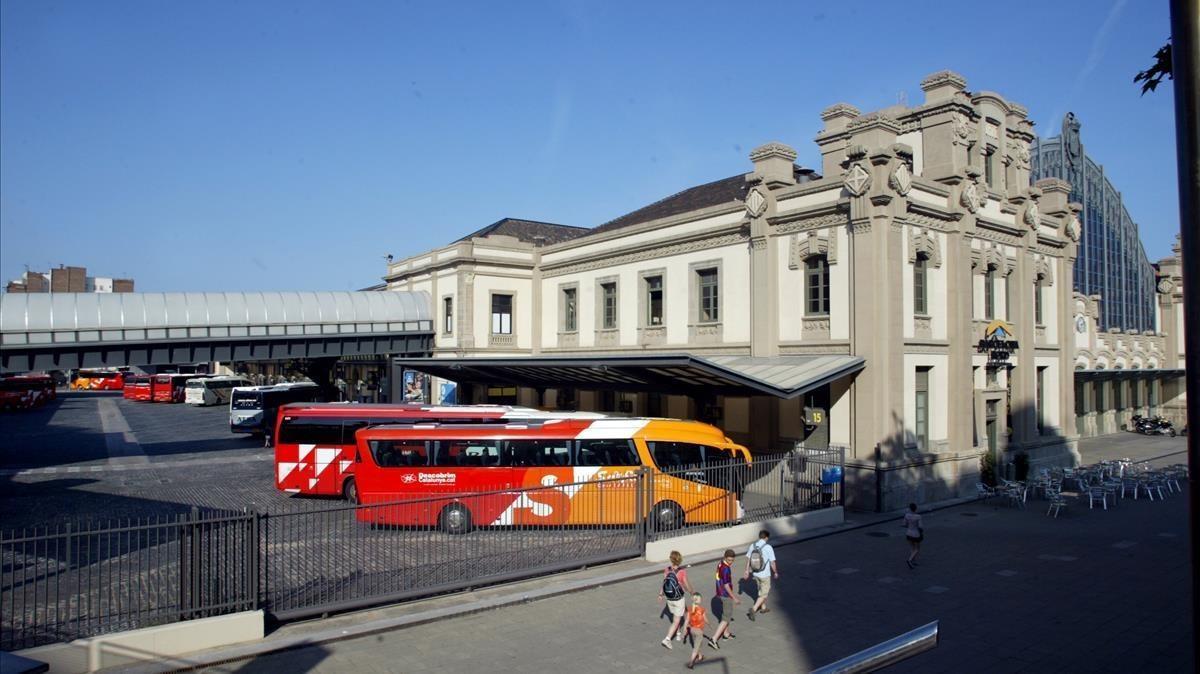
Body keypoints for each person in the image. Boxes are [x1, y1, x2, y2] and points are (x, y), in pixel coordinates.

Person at [659, 551, 694, 649]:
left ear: (671, 559)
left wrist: (660, 594)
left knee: (677, 616)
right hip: (679, 599)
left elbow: (664, 583)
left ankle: (678, 633)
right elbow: (687, 585)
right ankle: (667, 639)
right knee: (676, 620)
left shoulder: (667, 569)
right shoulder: (682, 572)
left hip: (669, 598)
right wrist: (692, 593)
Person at [744, 529, 777, 621]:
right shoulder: (768, 547)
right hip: (765, 574)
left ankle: (763, 607)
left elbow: (748, 559)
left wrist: (746, 570)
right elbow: (772, 562)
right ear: (766, 537)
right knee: (764, 593)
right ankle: (753, 609)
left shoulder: (753, 545)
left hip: (756, 572)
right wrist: (775, 572)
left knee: (761, 590)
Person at [710, 548, 740, 646]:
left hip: (719, 593)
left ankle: (726, 634)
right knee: (726, 618)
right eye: (729, 560)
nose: (730, 562)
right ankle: (714, 639)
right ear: (725, 557)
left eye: (732, 560)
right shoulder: (726, 569)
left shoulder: (720, 563)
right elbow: (726, 585)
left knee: (725, 615)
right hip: (725, 595)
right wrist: (734, 597)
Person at [685, 592, 707, 669]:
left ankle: (700, 656)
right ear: (699, 600)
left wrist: (684, 629)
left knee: (697, 644)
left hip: (692, 630)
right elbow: (705, 619)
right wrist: (710, 625)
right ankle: (691, 663)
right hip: (699, 631)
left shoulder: (690, 608)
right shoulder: (702, 609)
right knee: (696, 647)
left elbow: (687, 620)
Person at [903, 503, 924, 569]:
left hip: (908, 533)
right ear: (915, 509)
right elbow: (920, 526)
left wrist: (909, 526)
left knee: (912, 548)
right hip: (916, 534)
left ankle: (913, 561)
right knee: (917, 549)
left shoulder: (906, 515)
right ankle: (910, 560)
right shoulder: (918, 516)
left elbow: (904, 524)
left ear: (910, 509)